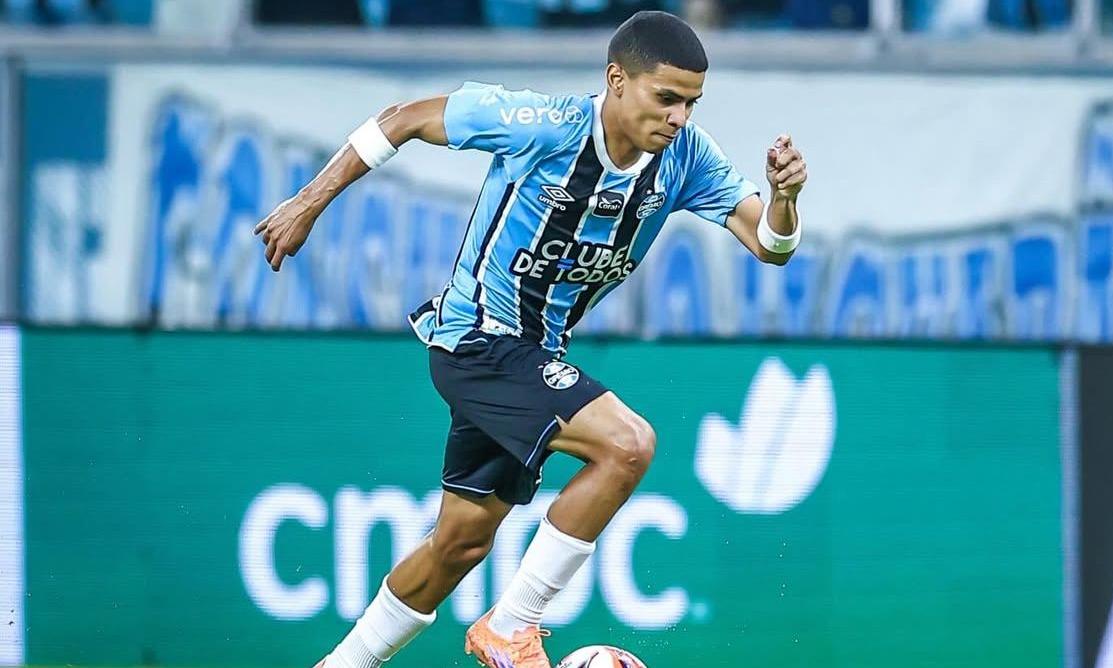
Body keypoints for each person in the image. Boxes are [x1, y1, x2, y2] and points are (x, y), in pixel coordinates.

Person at [253, 10, 806, 668]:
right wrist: (306, 202)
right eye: (666, 98)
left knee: (459, 544)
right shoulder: (542, 125)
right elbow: (401, 118)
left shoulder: (685, 158)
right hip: (478, 338)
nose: (678, 118)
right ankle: (511, 626)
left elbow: (770, 245)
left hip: (533, 356)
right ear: (617, 80)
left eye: (690, 102)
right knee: (627, 446)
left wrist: (784, 198)